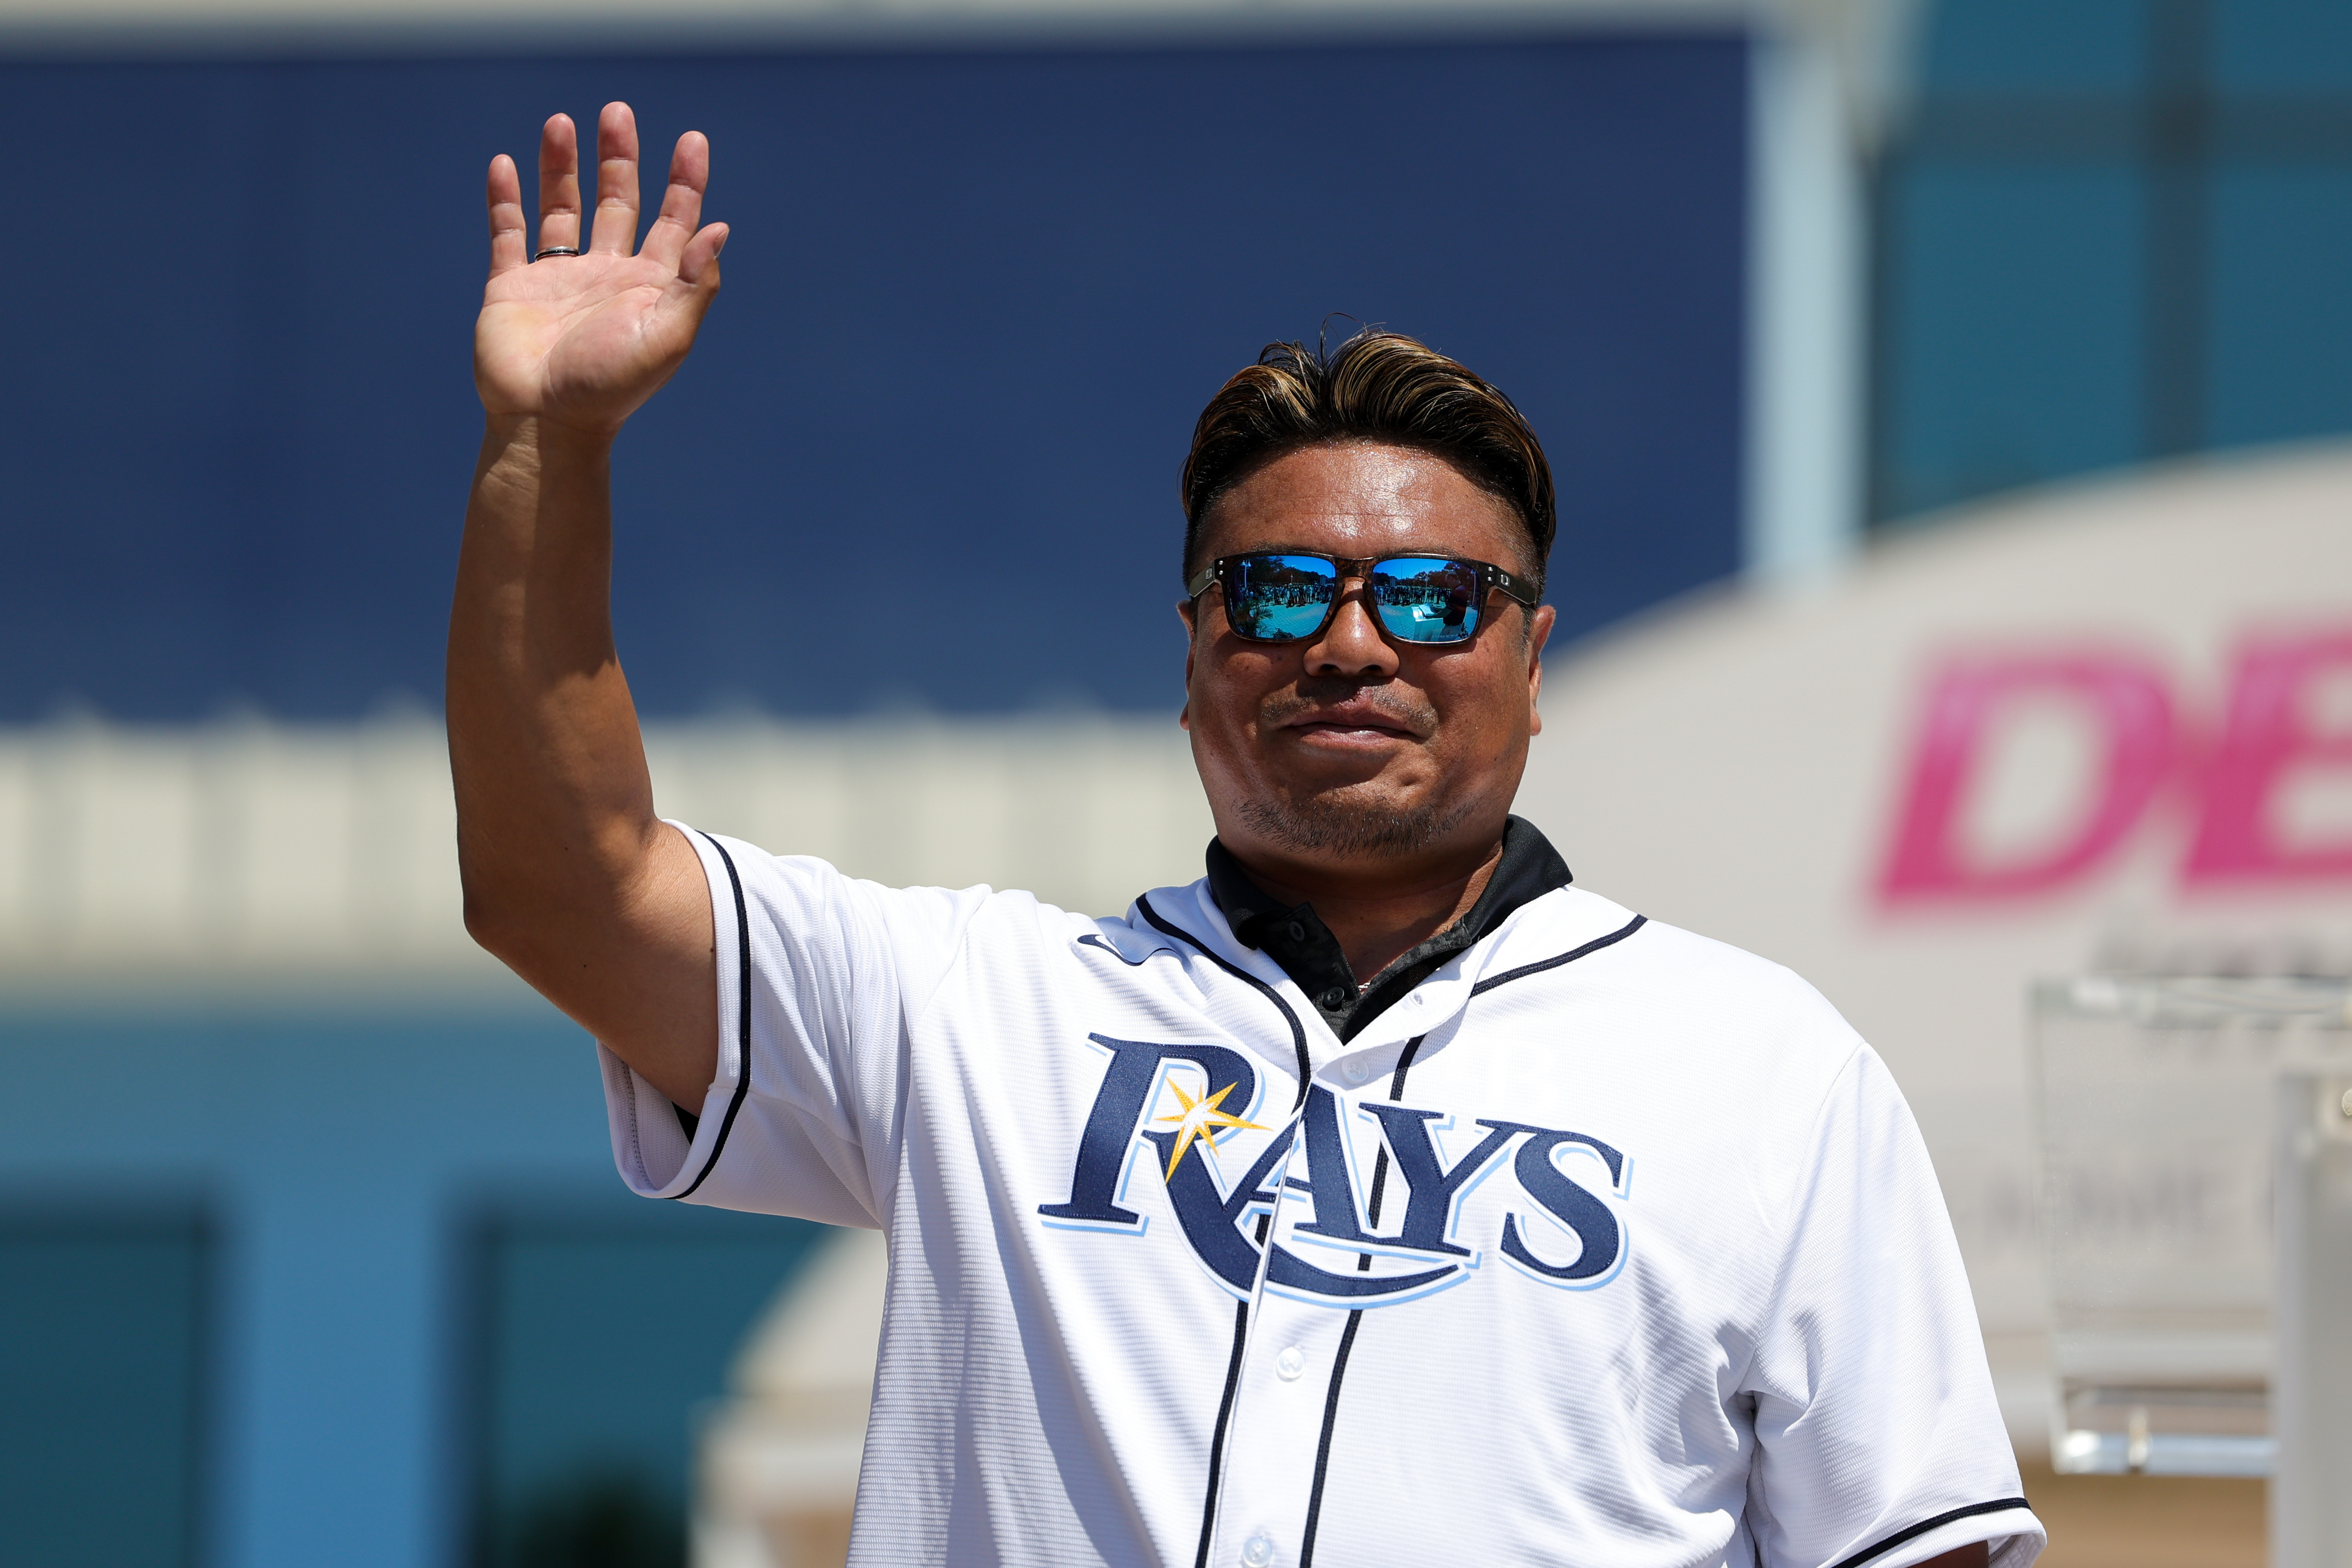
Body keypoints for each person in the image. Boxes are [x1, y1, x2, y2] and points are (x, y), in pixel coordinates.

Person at [450, 103, 2043, 1568]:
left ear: (1533, 664)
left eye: (1434, 599)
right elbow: (561, 887)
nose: (1351, 645)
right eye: (1277, 592)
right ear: (1196, 649)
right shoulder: (975, 1011)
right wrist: (547, 450)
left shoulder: (1761, 1072)